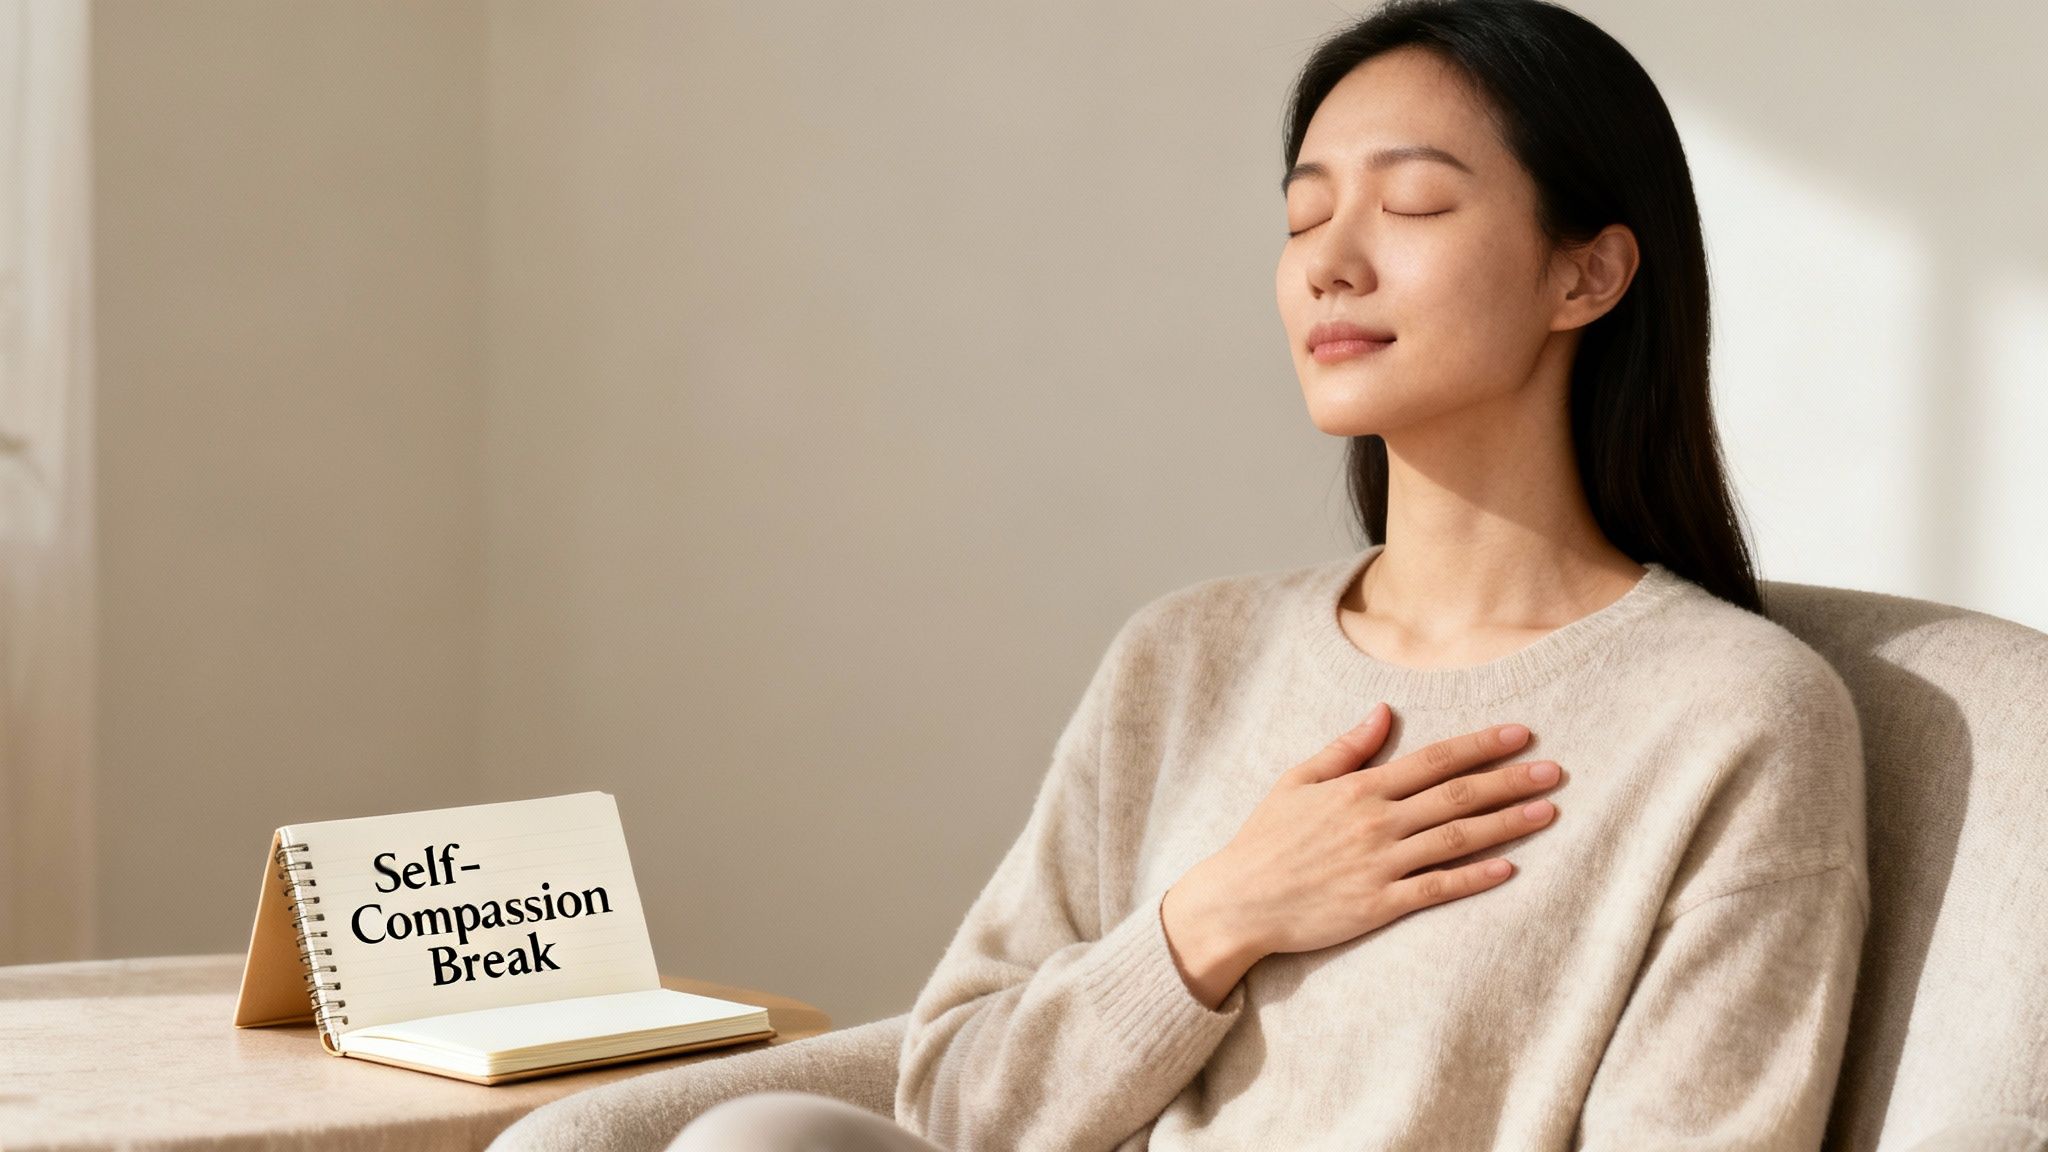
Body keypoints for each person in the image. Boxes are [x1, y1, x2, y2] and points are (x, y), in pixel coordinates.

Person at [669, 0, 1868, 1148]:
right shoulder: (1183, 656)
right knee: (757, 1137)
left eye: (1408, 205)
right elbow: (949, 1109)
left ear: (1586, 276)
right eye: (1301, 217)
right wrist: (1218, 915)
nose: (1326, 265)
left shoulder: (1731, 716)